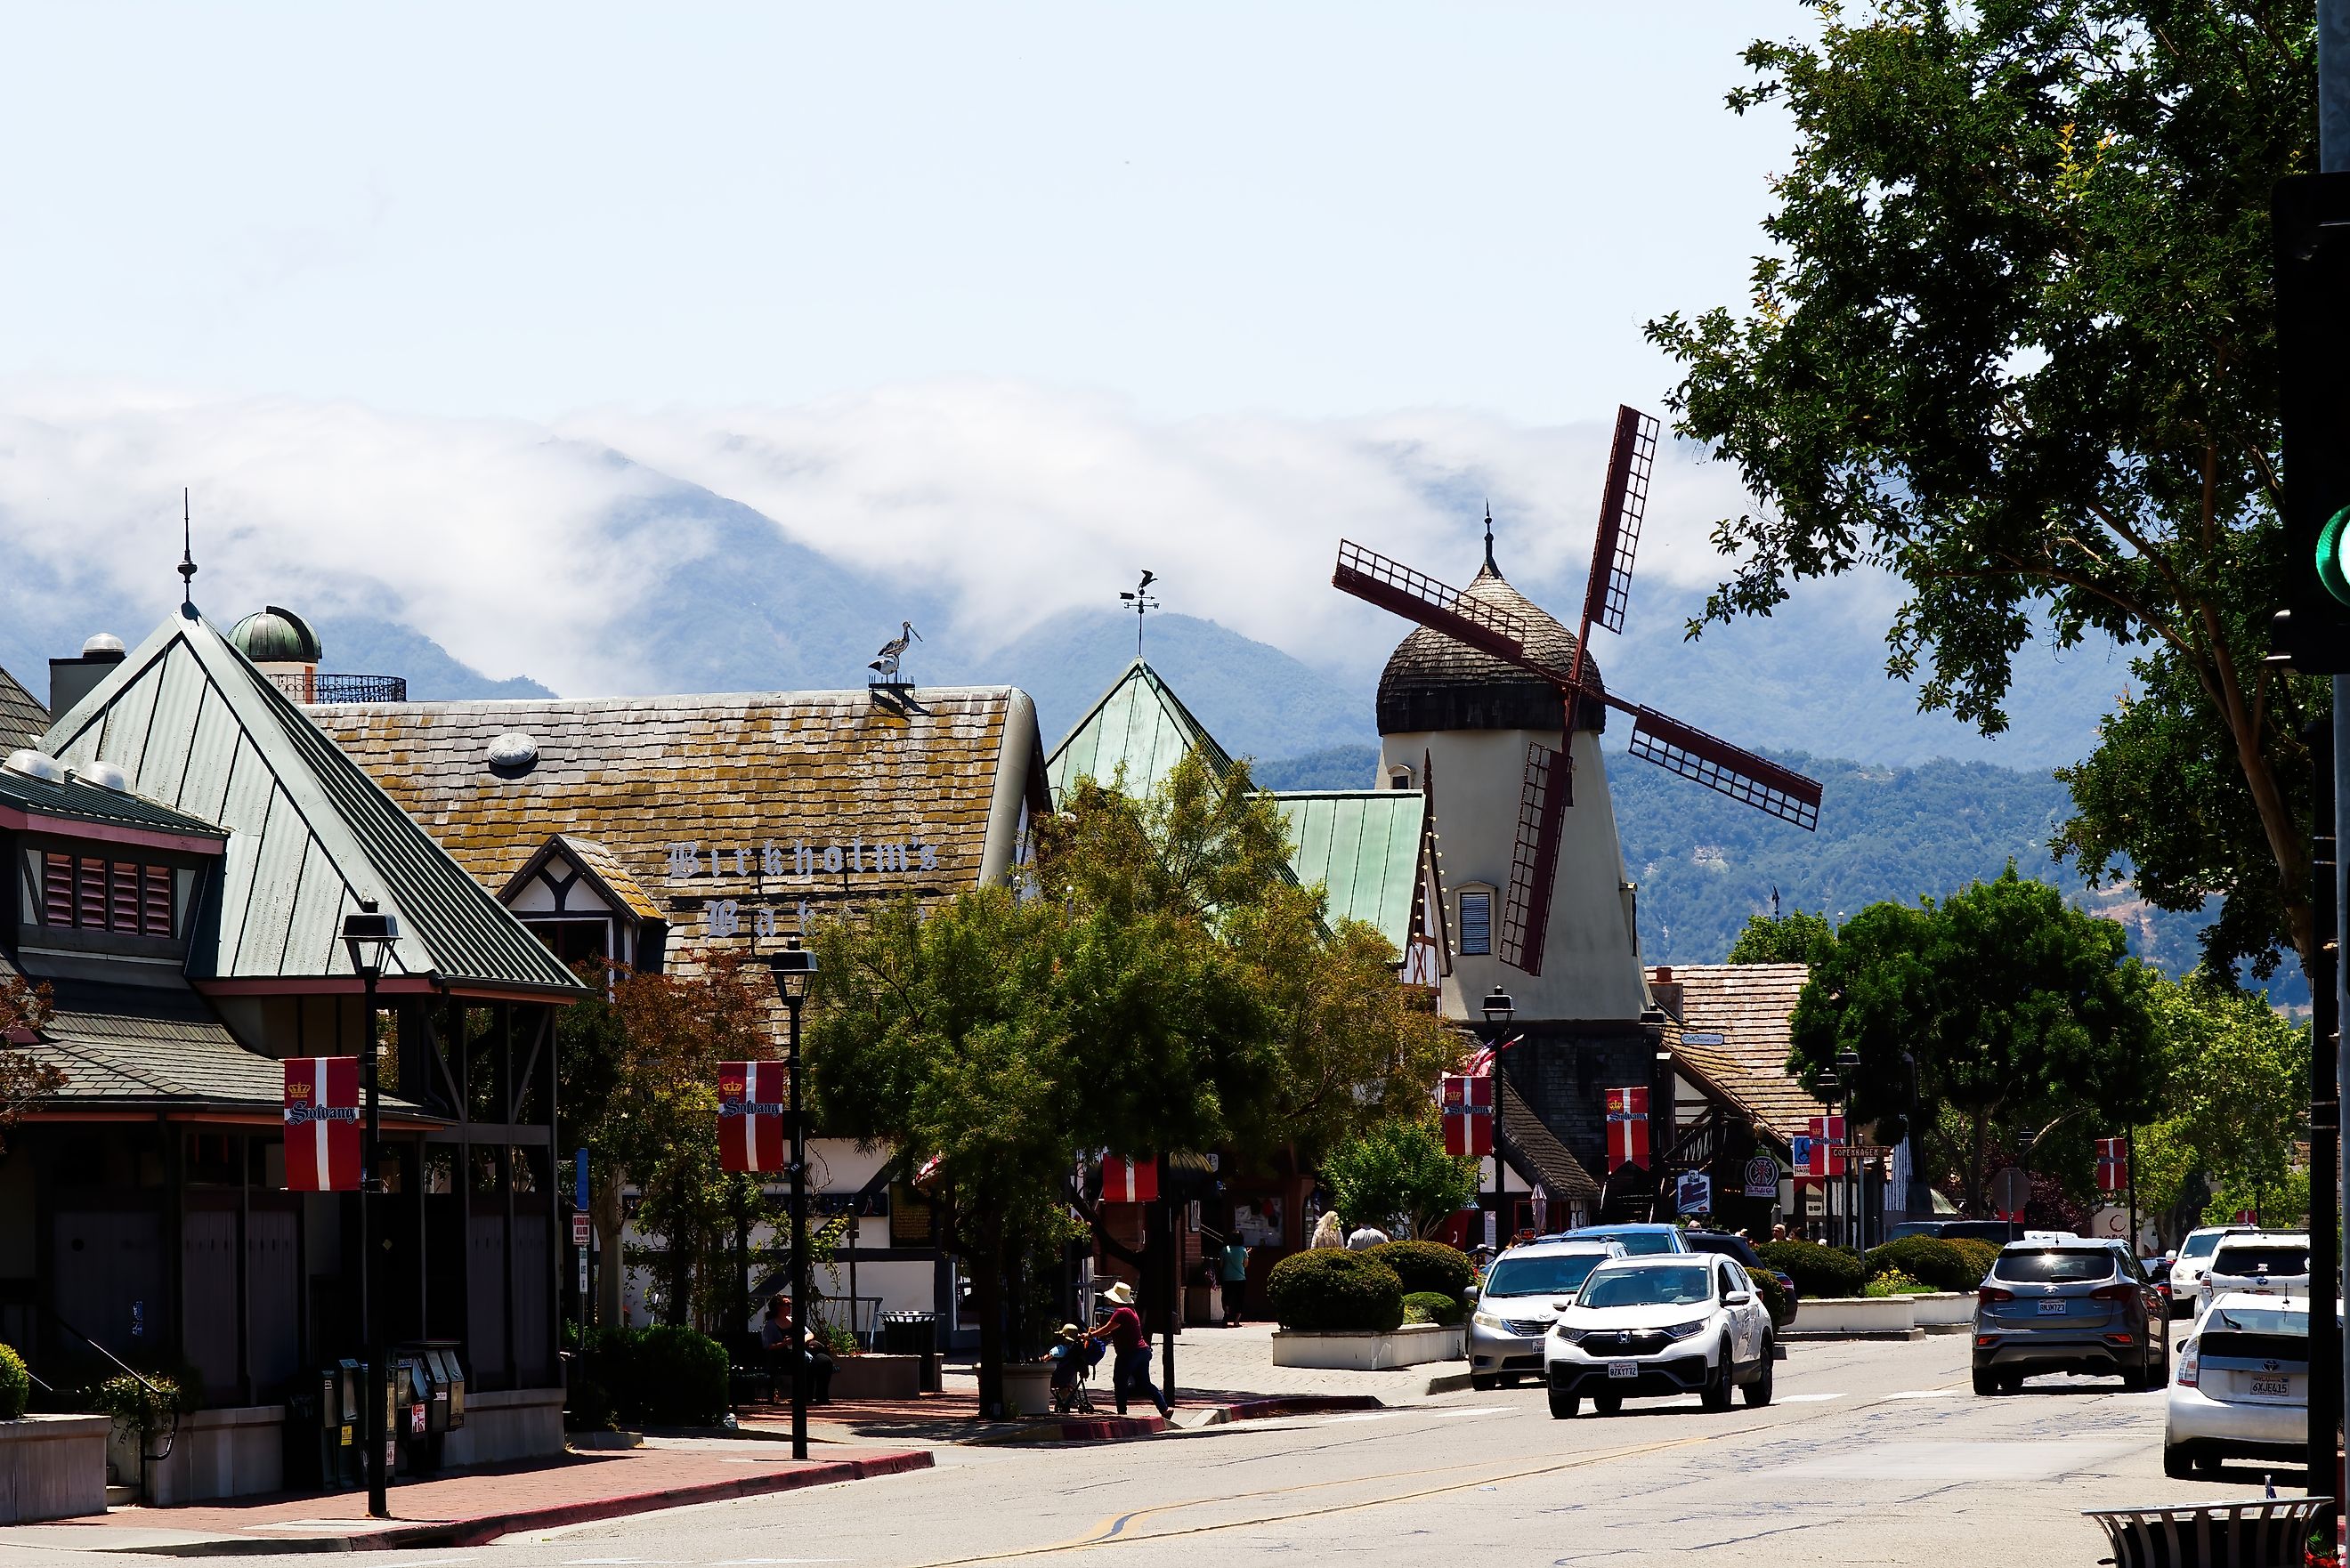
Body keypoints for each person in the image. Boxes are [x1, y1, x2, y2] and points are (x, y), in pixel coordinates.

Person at [1089, 1279, 1170, 1418]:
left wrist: (1090, 1335)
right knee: (1145, 1383)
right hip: (1142, 1351)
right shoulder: (1131, 1312)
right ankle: (1164, 1409)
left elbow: (1107, 1329)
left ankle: (1122, 1411)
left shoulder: (1121, 1312)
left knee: (1120, 1380)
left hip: (1129, 1353)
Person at [760, 1293, 833, 1406]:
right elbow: (768, 1346)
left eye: (790, 1304)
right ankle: (805, 1396)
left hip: (804, 1352)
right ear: (778, 1307)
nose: (790, 1307)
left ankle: (822, 1397)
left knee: (825, 1361)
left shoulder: (793, 1321)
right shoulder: (771, 1326)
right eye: (787, 1304)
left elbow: (809, 1334)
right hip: (785, 1356)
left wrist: (801, 1341)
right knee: (803, 1362)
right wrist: (784, 1344)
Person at [1220, 1236, 1250, 1327]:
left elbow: (1221, 1265)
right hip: (1240, 1278)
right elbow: (1245, 1265)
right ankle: (1236, 1321)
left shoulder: (1225, 1249)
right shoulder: (1243, 1250)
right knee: (1239, 1299)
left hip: (1227, 1277)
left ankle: (1227, 1313)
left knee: (1226, 1297)